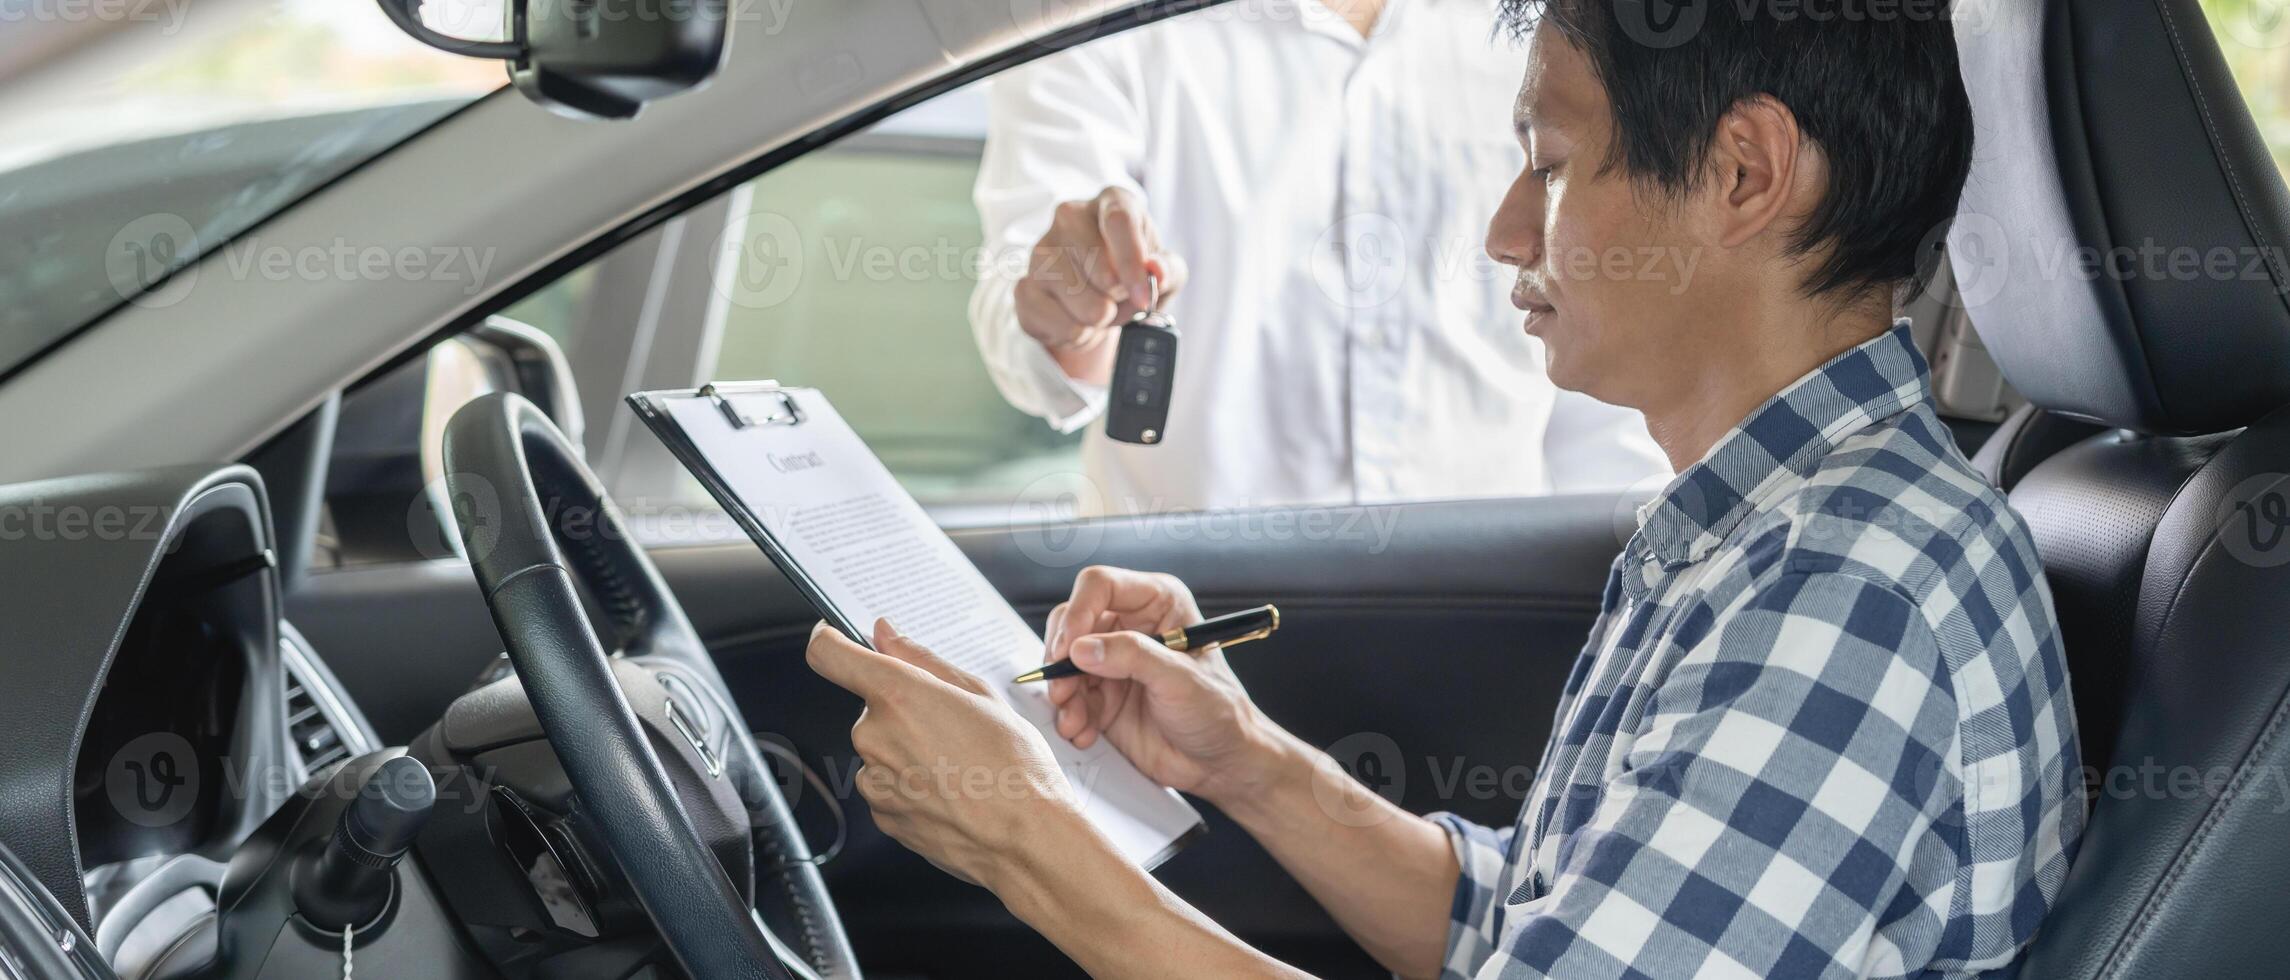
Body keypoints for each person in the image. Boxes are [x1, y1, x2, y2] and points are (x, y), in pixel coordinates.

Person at [812, 0, 2084, 976]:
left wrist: (1029, 839)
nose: (1504, 235)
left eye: (1548, 166)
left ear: (1744, 173)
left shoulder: (1849, 595)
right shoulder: (1771, 527)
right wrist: (1246, 758)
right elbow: (1534, 924)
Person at [967, 0, 1669, 514]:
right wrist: (1069, 311)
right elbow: (1026, 318)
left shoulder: (1543, 19)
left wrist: (1599, 587)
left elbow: (1605, 362)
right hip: (1183, 613)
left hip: (1489, 604)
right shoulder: (1091, 18)